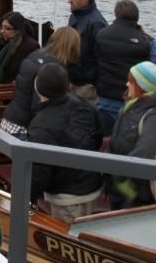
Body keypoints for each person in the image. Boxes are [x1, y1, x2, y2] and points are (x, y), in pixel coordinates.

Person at [27, 62, 104, 221]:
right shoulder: (83, 104)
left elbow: (40, 172)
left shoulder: (40, 125)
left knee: (69, 236)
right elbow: (97, 137)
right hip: (92, 182)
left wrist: (29, 196)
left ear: (38, 88)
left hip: (68, 195)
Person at [107, 60, 156, 209]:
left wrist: (116, 174)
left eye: (131, 82)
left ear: (143, 87)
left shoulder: (155, 118)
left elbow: (143, 153)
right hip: (118, 182)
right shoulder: (130, 105)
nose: (127, 84)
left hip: (136, 191)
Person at [0, 26, 80, 137]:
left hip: (10, 120)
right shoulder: (54, 70)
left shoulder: (35, 55)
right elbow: (38, 104)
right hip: (25, 128)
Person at [95, 0, 152, 135]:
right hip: (130, 100)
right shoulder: (144, 41)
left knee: (103, 139)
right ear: (136, 16)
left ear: (116, 14)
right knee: (126, 140)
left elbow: (96, 61)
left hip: (105, 97)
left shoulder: (102, 35)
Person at [67, 0, 107, 101]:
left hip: (86, 86)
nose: (69, 1)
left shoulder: (97, 23)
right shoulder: (74, 16)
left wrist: (94, 83)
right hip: (72, 80)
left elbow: (102, 55)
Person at [0, 11, 40, 84]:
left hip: (11, 87)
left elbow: (32, 72)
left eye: (8, 29)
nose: (2, 31)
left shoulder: (31, 46)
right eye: (2, 27)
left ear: (18, 30)